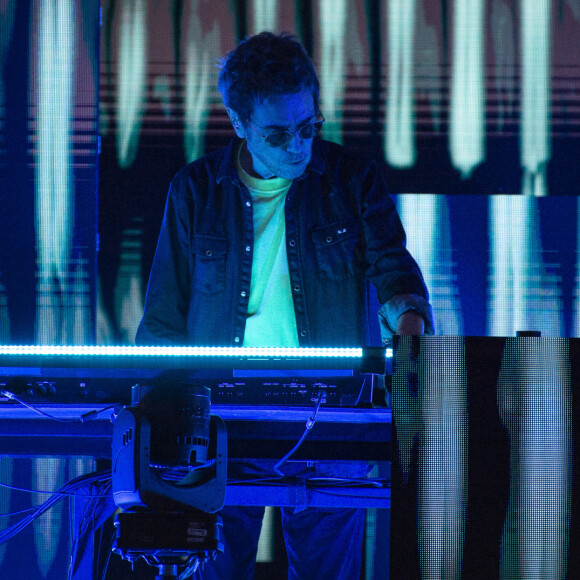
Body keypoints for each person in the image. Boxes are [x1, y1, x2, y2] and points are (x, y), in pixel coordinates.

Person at [136, 31, 434, 580]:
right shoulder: (195, 191)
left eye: (308, 127)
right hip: (217, 419)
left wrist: (409, 330)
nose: (298, 146)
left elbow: (393, 270)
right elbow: (162, 319)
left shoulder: (352, 179)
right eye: (278, 134)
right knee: (212, 568)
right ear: (238, 121)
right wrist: (151, 422)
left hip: (331, 416)